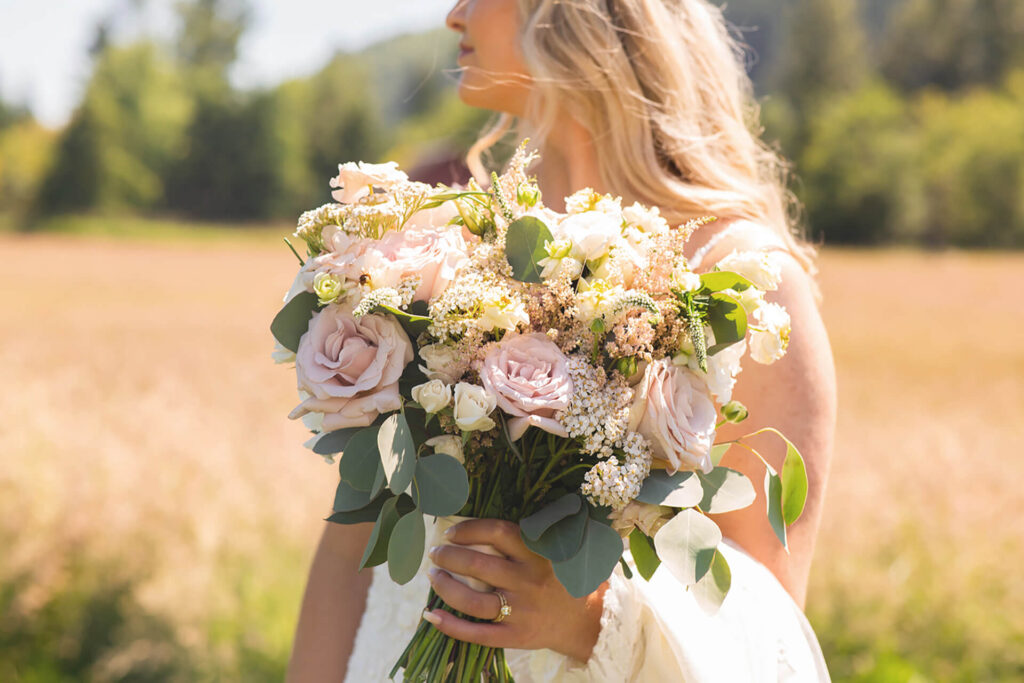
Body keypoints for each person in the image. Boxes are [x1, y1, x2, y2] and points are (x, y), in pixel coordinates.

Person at [286, 0, 837, 680]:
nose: (455, 14)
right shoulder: (445, 257)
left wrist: (594, 618)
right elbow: (352, 552)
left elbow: (771, 626)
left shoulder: (741, 284)